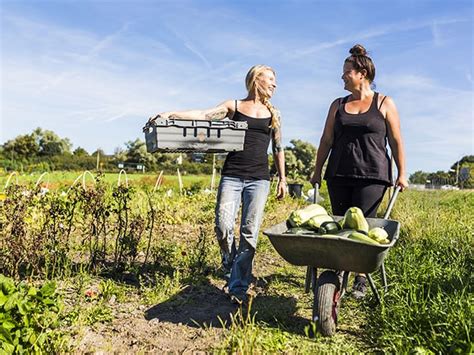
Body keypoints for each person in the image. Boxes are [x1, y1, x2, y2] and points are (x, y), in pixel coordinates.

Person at [150, 65, 286, 304]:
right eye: (271, 79)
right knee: (223, 228)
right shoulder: (234, 106)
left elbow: (278, 148)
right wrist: (170, 114)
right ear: (257, 80)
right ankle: (230, 263)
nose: (275, 84)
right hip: (233, 175)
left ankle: (238, 287)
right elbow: (203, 115)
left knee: (249, 233)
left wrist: (283, 179)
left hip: (259, 179)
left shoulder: (274, 114)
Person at [310, 44, 408, 299]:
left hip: (373, 176)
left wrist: (402, 172)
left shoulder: (384, 103)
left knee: (363, 227)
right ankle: (339, 272)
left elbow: (396, 140)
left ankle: (361, 277)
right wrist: (317, 169)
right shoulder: (338, 104)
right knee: (340, 226)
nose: (342, 76)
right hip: (339, 172)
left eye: (346, 72)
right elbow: (326, 140)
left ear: (361, 73)